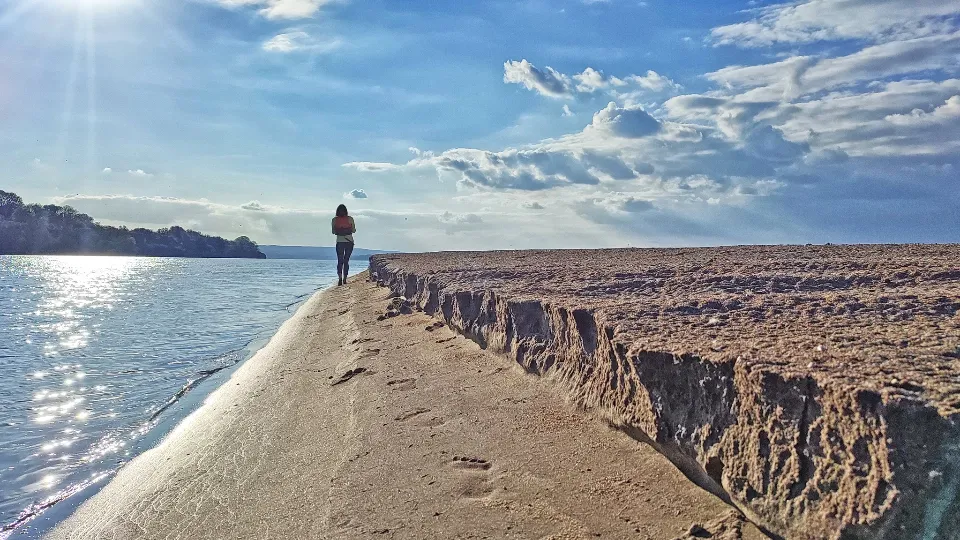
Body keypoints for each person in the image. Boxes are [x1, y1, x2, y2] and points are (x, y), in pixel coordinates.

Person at [332, 204, 356, 285]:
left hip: (340, 242)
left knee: (340, 261)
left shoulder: (334, 220)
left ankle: (340, 278)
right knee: (346, 261)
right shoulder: (350, 219)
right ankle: (345, 278)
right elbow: (354, 230)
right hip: (349, 241)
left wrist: (340, 229)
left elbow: (334, 232)